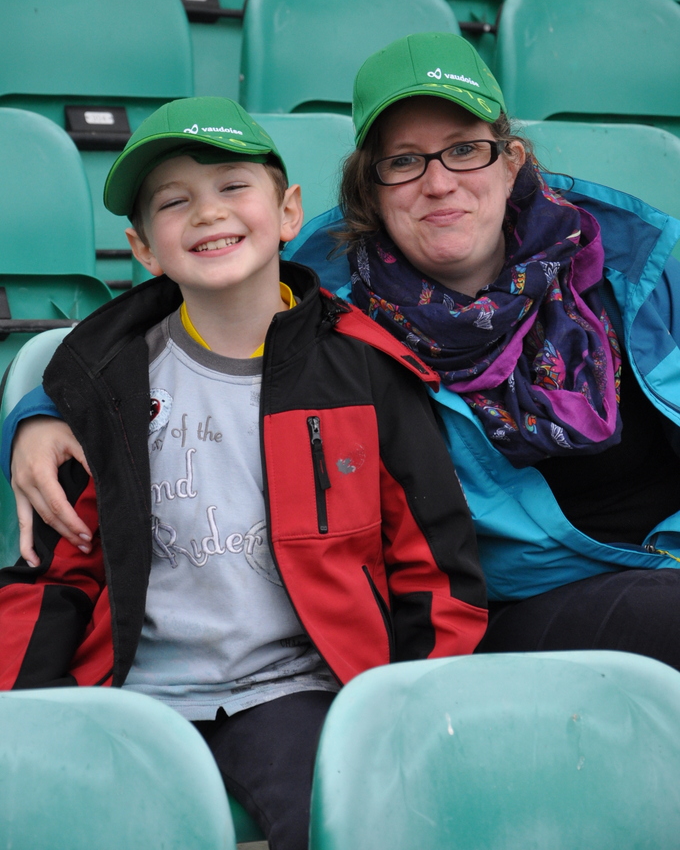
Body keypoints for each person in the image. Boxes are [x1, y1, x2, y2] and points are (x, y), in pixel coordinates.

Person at [8, 29, 680, 665]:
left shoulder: (630, 258)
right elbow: (186, 302)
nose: (439, 182)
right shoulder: (327, 295)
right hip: (516, 601)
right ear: (370, 190)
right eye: (404, 161)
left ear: (511, 165)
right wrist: (45, 410)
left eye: (464, 149)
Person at [0, 96, 487, 850]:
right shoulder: (105, 385)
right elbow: (60, 568)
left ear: (288, 212)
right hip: (136, 697)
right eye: (174, 201)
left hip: (297, 690)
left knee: (348, 822)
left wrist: (412, 709)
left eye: (233, 186)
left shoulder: (365, 371)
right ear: (142, 248)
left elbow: (435, 563)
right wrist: (27, 705)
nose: (207, 212)